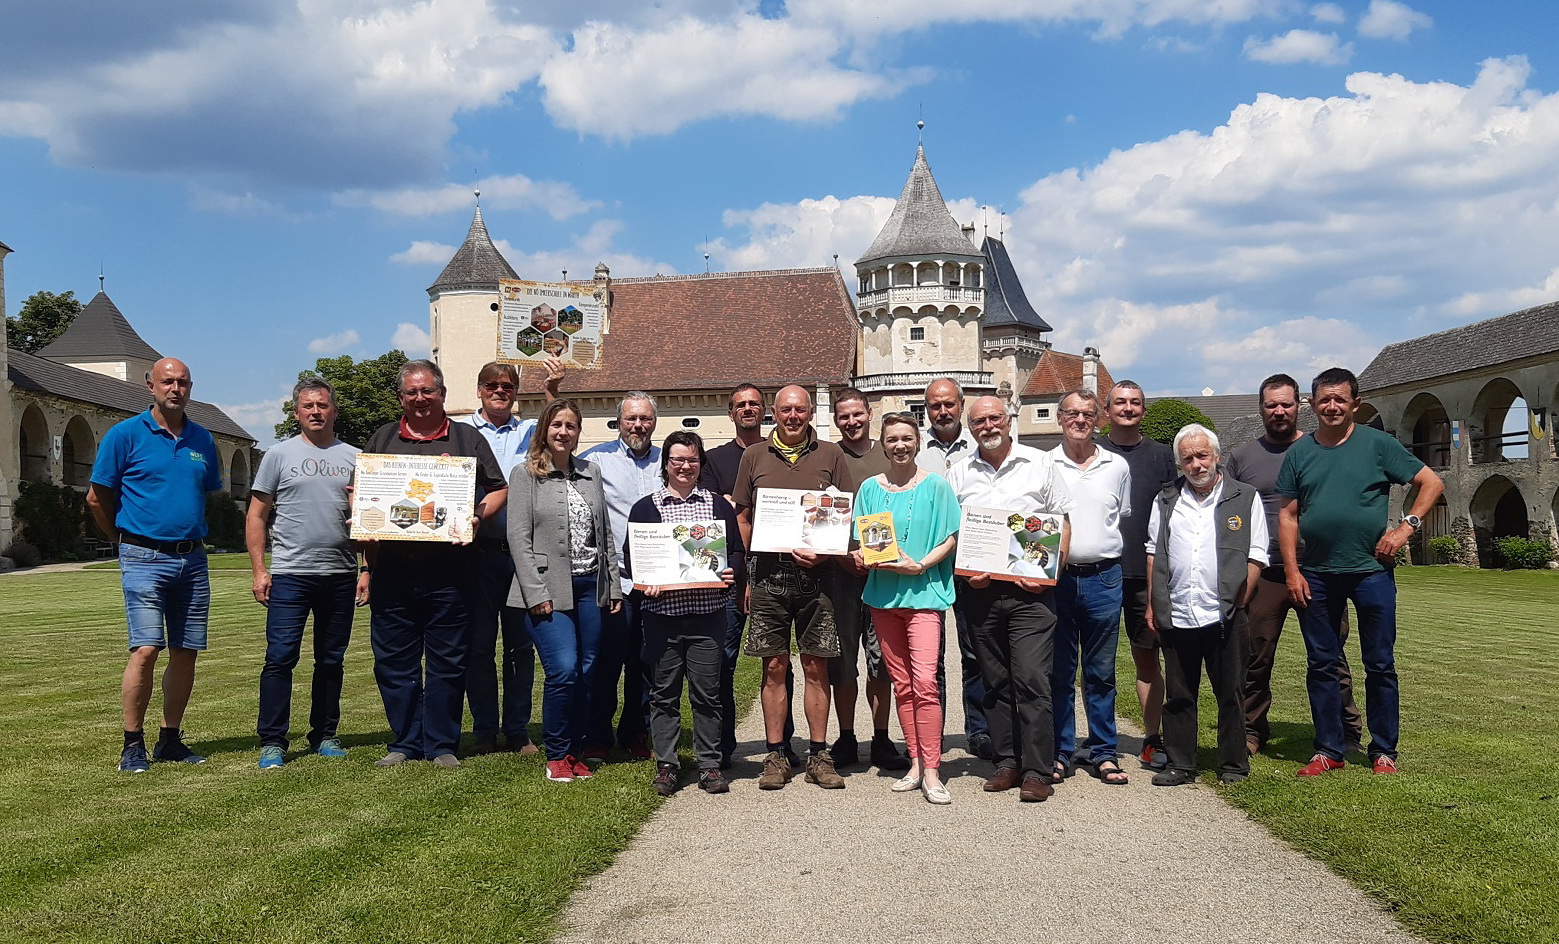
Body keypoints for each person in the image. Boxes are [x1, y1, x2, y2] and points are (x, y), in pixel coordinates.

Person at [1278, 367, 1444, 776]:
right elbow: (1287, 515)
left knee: (1380, 663)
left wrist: (1406, 528)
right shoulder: (1300, 452)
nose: (1331, 406)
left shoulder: (1378, 445)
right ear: (1312, 405)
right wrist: (1292, 572)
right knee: (1321, 663)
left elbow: (1432, 483)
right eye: (1324, 400)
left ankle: (1383, 750)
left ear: (1356, 403)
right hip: (1316, 572)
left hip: (1371, 571)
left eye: (1340, 399)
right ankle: (1329, 749)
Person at [361, 359, 507, 768]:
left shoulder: (466, 438)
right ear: (401, 397)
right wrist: (363, 517)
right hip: (394, 567)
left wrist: (478, 516)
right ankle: (405, 741)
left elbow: (499, 489)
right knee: (393, 659)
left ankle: (442, 743)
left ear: (442, 393)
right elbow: (361, 491)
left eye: (428, 391)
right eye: (412, 392)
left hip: (453, 570)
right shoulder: (382, 438)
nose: (420, 399)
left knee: (448, 659)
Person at [88, 357, 225, 773]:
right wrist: (121, 538)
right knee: (146, 649)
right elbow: (97, 498)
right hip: (143, 558)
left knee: (186, 653)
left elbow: (207, 493)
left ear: (191, 387)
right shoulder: (124, 435)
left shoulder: (203, 439)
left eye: (183, 382)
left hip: (193, 560)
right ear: (150, 385)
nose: (175, 389)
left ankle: (170, 739)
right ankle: (133, 745)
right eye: (167, 382)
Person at [1227, 374, 1363, 757]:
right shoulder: (1241, 458)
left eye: (1286, 404)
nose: (1279, 411)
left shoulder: (1324, 447)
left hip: (1318, 570)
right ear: (1261, 409)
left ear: (1299, 405)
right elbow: (1229, 517)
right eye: (1271, 405)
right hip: (1266, 571)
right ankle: (1251, 730)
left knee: (1329, 655)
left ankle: (1345, 732)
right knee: (1254, 656)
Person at [946, 396, 1074, 803]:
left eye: (995, 417)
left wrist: (1051, 575)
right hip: (981, 591)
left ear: (1008, 419)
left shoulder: (1040, 464)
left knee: (1032, 678)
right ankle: (1007, 761)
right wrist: (963, 571)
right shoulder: (959, 472)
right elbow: (951, 534)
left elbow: (1063, 523)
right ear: (971, 427)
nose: (988, 426)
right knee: (995, 680)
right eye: (980, 420)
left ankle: (1037, 768)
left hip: (1031, 593)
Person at [731, 384, 852, 790]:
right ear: (775, 413)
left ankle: (819, 754)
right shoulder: (754, 456)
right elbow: (743, 518)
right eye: (786, 410)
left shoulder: (831, 455)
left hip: (818, 577)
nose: (793, 417)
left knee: (817, 666)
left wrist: (825, 552)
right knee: (774, 666)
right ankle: (777, 753)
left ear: (810, 411)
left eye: (800, 410)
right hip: (769, 575)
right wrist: (751, 564)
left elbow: (843, 516)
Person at [246, 377, 366, 769]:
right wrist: (260, 569)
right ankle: (273, 741)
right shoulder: (278, 455)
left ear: (334, 410)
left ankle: (325, 734)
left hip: (341, 573)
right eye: (308, 406)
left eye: (323, 405)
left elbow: (370, 521)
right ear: (296, 412)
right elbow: (256, 514)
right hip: (290, 575)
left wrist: (368, 569)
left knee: (331, 660)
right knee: (280, 658)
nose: (316, 411)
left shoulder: (356, 457)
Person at [623, 431, 745, 797]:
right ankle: (667, 764)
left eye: (692, 459)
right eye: (677, 459)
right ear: (666, 464)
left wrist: (731, 571)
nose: (685, 466)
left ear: (700, 464)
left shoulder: (717, 506)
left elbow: (736, 551)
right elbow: (633, 558)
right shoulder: (646, 507)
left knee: (708, 693)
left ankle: (709, 764)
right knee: (664, 694)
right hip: (662, 614)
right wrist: (647, 580)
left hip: (708, 614)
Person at [508, 398, 623, 782]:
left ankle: (576, 750)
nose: (563, 432)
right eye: (557, 424)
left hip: (591, 586)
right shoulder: (525, 475)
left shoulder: (590, 472)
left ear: (578, 433)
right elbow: (518, 538)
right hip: (547, 590)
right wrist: (534, 591)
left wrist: (614, 588)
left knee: (588, 672)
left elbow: (603, 534)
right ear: (545, 429)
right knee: (564, 670)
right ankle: (557, 753)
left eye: (570, 426)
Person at [1146, 424, 1266, 786]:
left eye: (1202, 456)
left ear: (1217, 456)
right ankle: (1181, 763)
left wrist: (1239, 598)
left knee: (1230, 693)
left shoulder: (1244, 497)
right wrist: (1155, 602)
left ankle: (1233, 764)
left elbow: (1257, 554)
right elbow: (1153, 552)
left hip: (1224, 614)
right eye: (1188, 458)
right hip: (1179, 610)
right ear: (1179, 464)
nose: (1196, 464)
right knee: (1179, 694)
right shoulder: (1166, 499)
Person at [852, 413, 961, 804]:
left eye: (907, 438)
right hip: (883, 597)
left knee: (926, 683)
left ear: (918, 442)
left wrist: (922, 564)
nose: (900, 445)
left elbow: (951, 536)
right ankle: (914, 762)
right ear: (883, 444)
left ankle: (933, 769)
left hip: (925, 594)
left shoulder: (936, 486)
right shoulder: (869, 488)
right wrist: (861, 557)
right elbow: (860, 540)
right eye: (892, 439)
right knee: (901, 685)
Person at [462, 357, 563, 756]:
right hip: (478, 552)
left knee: (521, 647)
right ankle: (485, 728)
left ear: (517, 392)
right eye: (492, 385)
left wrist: (552, 386)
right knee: (479, 645)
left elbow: (557, 423)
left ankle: (518, 729)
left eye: (508, 386)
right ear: (480, 389)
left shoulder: (528, 433)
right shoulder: (462, 432)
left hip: (524, 555)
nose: (500, 391)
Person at [699, 383, 793, 767]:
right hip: (729, 572)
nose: (748, 409)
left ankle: (782, 745)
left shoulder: (781, 454)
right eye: (741, 405)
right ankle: (722, 745)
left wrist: (734, 502)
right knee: (724, 659)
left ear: (766, 410)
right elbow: (713, 514)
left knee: (777, 660)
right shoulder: (716, 460)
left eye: (754, 404)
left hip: (776, 569)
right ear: (730, 413)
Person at [1047, 389, 1131, 786]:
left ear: (1098, 419)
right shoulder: (1044, 465)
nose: (1080, 420)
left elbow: (1120, 517)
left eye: (1087, 414)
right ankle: (1060, 751)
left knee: (1100, 671)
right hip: (1058, 580)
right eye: (1072, 414)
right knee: (1059, 671)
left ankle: (1103, 751)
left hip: (1104, 578)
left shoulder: (1117, 466)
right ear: (1060, 419)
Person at [1097, 380, 1178, 770]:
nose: (1127, 408)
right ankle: (1099, 742)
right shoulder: (1092, 451)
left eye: (1135, 403)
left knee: (1148, 659)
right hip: (1101, 570)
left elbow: (1173, 516)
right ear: (1106, 409)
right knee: (1096, 663)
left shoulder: (1162, 456)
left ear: (1143, 410)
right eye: (1120, 403)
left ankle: (1152, 737)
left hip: (1145, 575)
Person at [828, 388, 909, 771]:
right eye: (844, 416)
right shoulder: (828, 458)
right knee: (842, 663)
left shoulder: (888, 454)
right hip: (840, 577)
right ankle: (846, 738)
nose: (852, 422)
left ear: (869, 413)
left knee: (881, 662)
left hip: (883, 576)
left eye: (857, 414)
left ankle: (880, 738)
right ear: (834, 419)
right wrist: (845, 557)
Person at [579, 392, 661, 764]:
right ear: (619, 421)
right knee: (606, 662)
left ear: (654, 422)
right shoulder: (596, 461)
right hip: (615, 580)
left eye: (645, 418)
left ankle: (635, 732)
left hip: (659, 581)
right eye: (631, 419)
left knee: (646, 665)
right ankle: (596, 735)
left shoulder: (668, 460)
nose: (638, 426)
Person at [916, 376, 992, 762]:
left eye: (948, 404)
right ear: (926, 409)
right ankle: (935, 731)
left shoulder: (983, 443)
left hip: (971, 561)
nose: (942, 411)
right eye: (934, 406)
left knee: (974, 649)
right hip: (925, 562)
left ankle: (978, 728)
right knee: (930, 654)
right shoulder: (914, 449)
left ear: (961, 406)